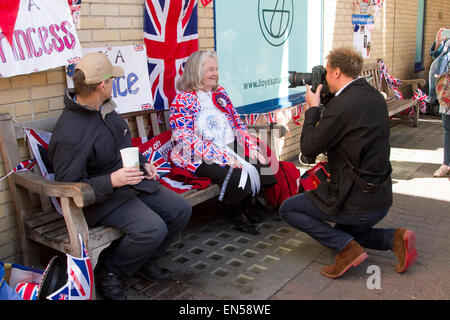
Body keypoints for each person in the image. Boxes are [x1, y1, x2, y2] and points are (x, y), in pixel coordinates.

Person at [48, 52, 192, 300]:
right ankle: (110, 271)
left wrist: (144, 163)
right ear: (102, 86)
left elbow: (124, 146)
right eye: (112, 80)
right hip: (99, 200)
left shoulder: (104, 109)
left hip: (130, 185)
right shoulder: (70, 131)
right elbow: (69, 187)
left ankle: (146, 260)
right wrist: (112, 181)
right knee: (152, 228)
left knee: (180, 209)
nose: (115, 84)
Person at [280, 47, 417, 279]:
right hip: (380, 197)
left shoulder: (341, 106)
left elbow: (308, 149)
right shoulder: (372, 96)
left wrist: (313, 109)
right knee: (345, 232)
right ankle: (395, 238)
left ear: (336, 72)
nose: (324, 78)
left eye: (326, 72)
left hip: (355, 201)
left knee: (289, 209)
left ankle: (347, 249)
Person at [169, 50, 277, 235]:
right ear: (196, 71)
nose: (215, 73)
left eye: (216, 69)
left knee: (260, 163)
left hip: (229, 145)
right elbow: (186, 138)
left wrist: (251, 147)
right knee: (235, 173)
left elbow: (236, 121)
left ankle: (246, 204)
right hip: (198, 155)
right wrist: (222, 157)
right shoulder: (183, 100)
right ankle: (234, 212)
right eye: (210, 69)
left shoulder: (220, 93)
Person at [429, 28, 450, 177]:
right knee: (447, 128)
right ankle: (446, 164)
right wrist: (439, 40)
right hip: (446, 89)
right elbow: (435, 55)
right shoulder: (448, 42)